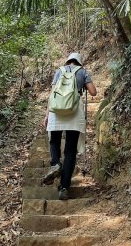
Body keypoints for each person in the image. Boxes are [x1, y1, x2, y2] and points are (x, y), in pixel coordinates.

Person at [43, 52, 97, 200]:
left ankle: (55, 163)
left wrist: (47, 115)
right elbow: (93, 92)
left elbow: (52, 93)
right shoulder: (82, 72)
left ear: (68, 61)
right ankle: (64, 188)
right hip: (74, 111)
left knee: (54, 140)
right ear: (79, 62)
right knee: (70, 151)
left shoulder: (59, 71)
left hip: (56, 110)